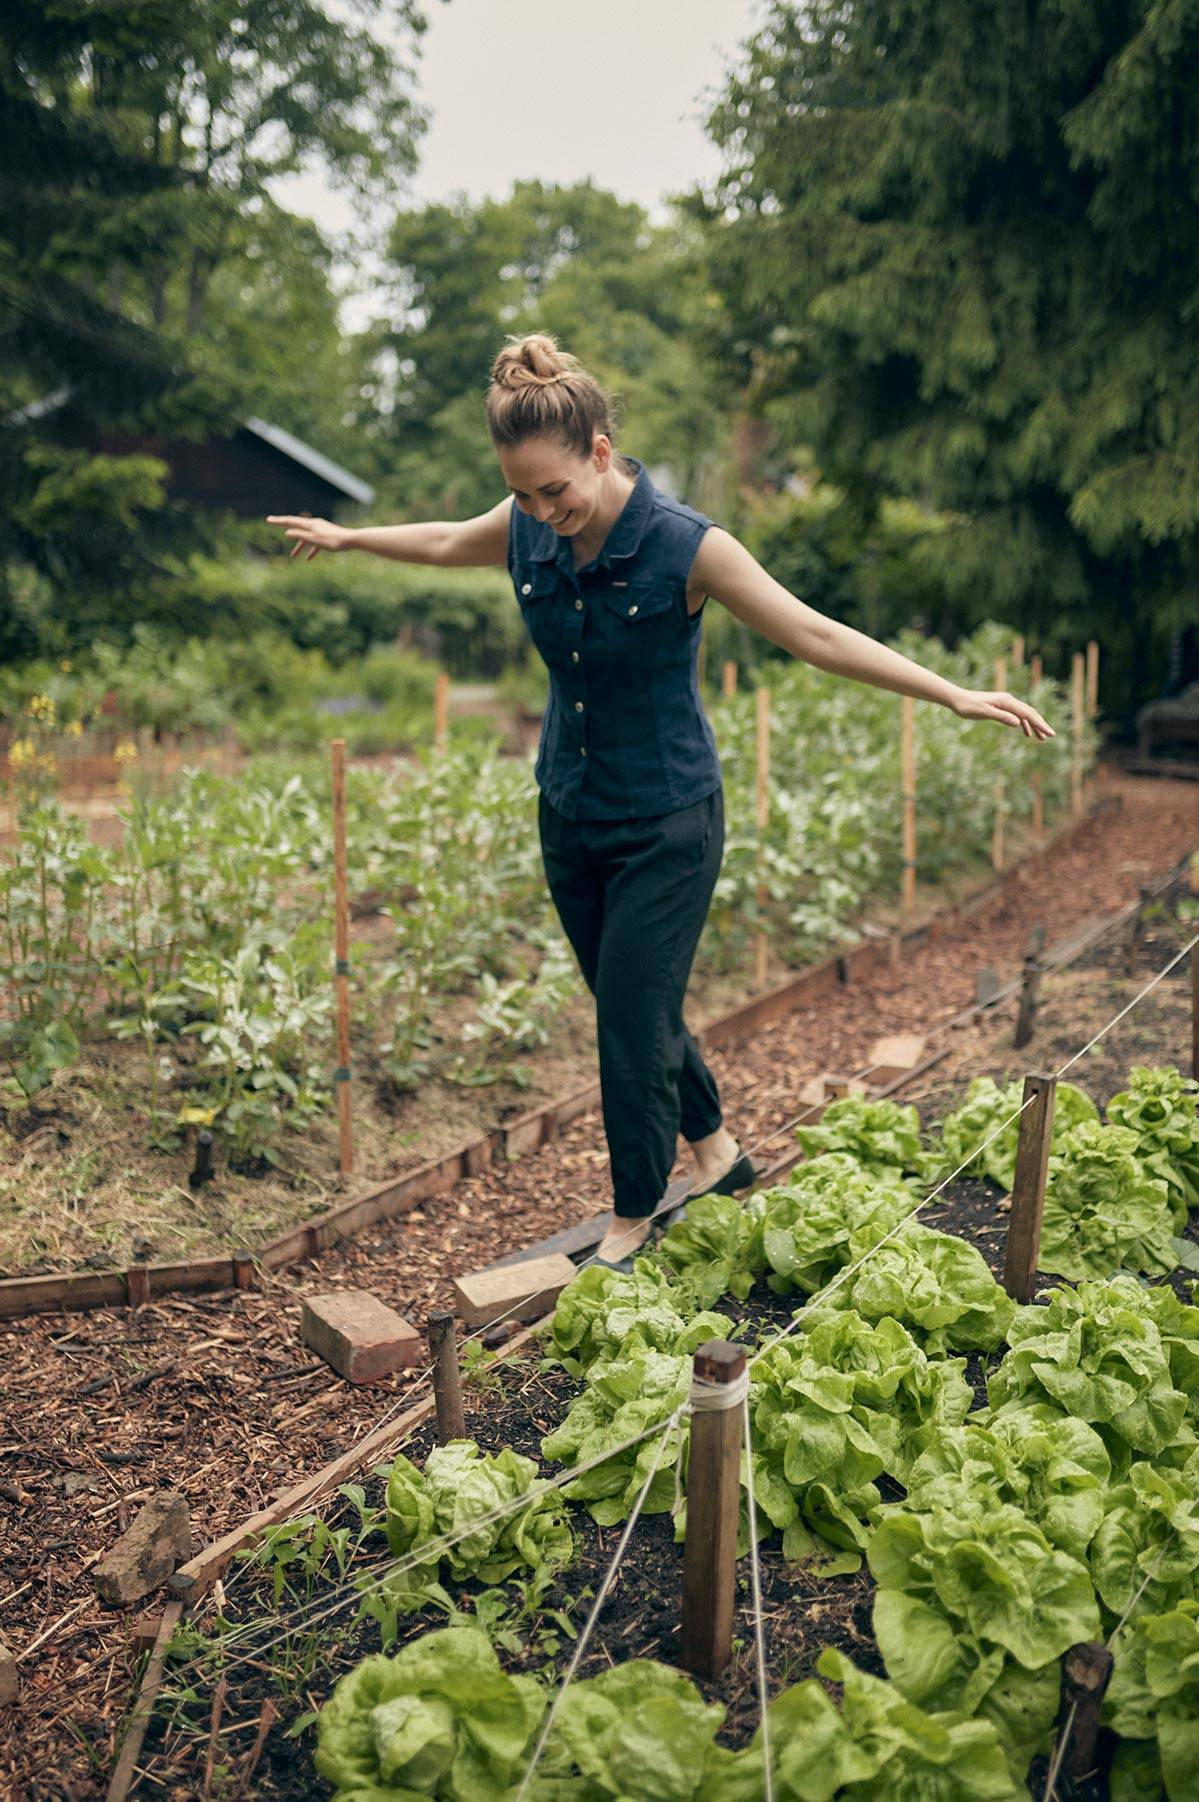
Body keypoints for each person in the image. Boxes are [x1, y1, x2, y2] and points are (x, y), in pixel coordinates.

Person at [268, 331, 1053, 1270]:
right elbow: (445, 539)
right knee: (632, 1004)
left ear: (599, 453)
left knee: (628, 1025)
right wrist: (351, 535)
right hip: (568, 811)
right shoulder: (524, 521)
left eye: (554, 490)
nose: (539, 511)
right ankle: (717, 1150)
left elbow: (812, 632)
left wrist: (953, 694)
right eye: (521, 494)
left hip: (667, 824)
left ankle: (634, 1213)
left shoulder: (686, 546)